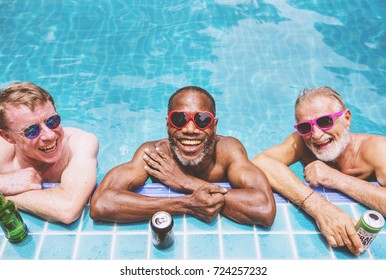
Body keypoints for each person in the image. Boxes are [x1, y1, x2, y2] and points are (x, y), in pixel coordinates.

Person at [90, 86, 275, 226]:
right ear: (168, 125)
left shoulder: (227, 150)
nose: (190, 129)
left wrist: (186, 182)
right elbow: (101, 203)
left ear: (214, 126)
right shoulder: (155, 154)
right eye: (179, 119)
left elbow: (264, 208)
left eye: (202, 120)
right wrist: (186, 204)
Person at [252, 86, 386, 255]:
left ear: (346, 118)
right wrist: (319, 207)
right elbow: (260, 163)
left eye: (324, 121)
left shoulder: (378, 150)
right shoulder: (301, 143)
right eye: (305, 127)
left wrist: (336, 179)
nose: (315, 134)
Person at [0, 82, 99, 224]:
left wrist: (4, 196)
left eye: (52, 121)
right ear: (8, 137)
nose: (50, 136)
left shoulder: (81, 142)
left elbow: (67, 210)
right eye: (32, 131)